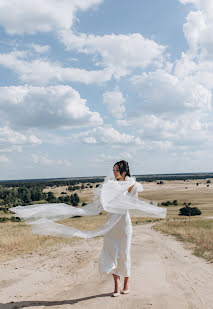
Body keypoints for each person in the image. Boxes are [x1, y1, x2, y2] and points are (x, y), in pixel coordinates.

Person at [9, 160, 167, 297]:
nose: (113, 173)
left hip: (124, 223)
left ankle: (126, 284)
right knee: (110, 252)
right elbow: (103, 202)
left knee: (124, 254)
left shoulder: (133, 185)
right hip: (110, 222)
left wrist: (123, 195)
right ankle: (116, 286)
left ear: (124, 171)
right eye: (112, 170)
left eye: (116, 170)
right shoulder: (109, 184)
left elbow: (134, 204)